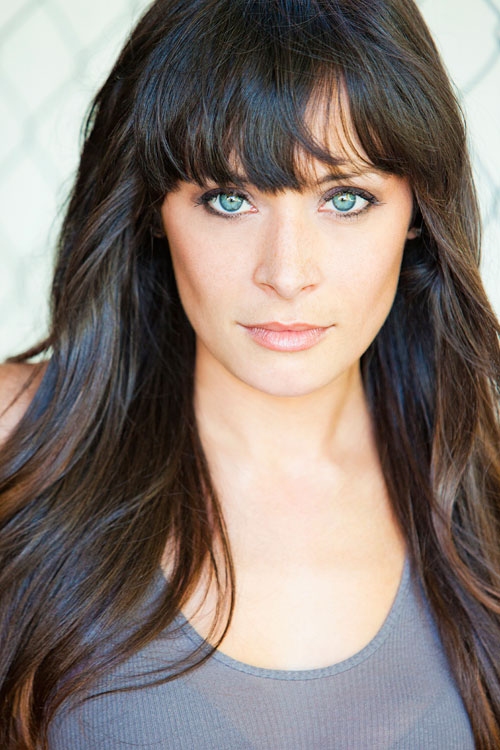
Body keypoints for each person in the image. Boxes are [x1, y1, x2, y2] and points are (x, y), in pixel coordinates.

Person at [0, 0, 499, 747]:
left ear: (418, 215)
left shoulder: (484, 495)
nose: (287, 274)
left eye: (346, 199)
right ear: (152, 210)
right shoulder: (17, 440)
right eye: (229, 199)